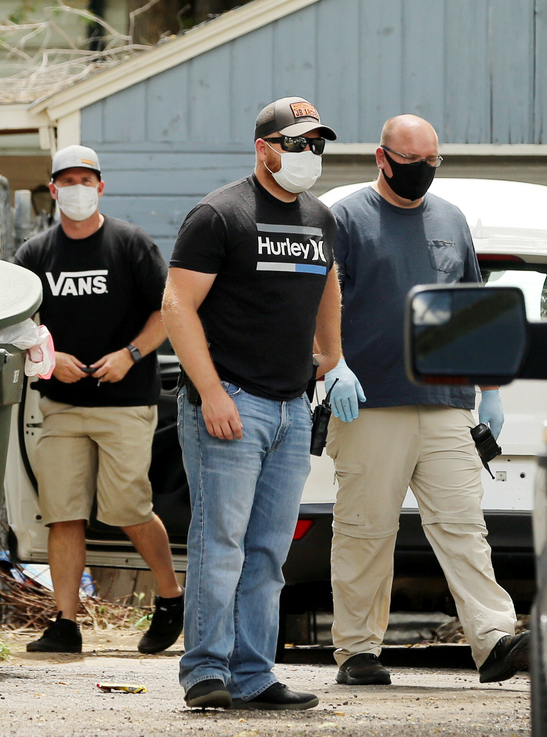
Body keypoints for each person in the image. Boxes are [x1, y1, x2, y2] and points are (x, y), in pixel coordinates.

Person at [162, 97, 356, 710]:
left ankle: (253, 673)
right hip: (231, 403)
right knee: (221, 544)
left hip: (291, 407)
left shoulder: (320, 218)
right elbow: (176, 306)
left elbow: (328, 288)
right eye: (297, 143)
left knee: (269, 551)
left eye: (316, 144)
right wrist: (212, 391)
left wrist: (335, 359)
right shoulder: (219, 215)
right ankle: (205, 672)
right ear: (264, 147)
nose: (309, 155)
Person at [326, 115, 529, 686]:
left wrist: (489, 389)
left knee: (464, 527)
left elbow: (470, 304)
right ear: (382, 158)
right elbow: (320, 302)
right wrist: (331, 365)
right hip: (370, 402)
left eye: (432, 164)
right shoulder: (346, 218)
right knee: (367, 531)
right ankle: (358, 651)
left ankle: (493, 641)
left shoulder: (450, 219)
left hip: (446, 402)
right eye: (412, 164)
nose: (422, 174)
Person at [14, 144, 184, 655]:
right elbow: (15, 320)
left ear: (101, 187)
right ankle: (65, 623)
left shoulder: (130, 244)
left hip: (126, 404)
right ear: (53, 190)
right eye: (68, 181)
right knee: (62, 513)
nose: (78, 190)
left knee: (128, 507)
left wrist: (129, 355)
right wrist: (50, 355)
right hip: (61, 405)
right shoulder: (36, 254)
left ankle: (170, 598)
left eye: (86, 180)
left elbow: (167, 311)